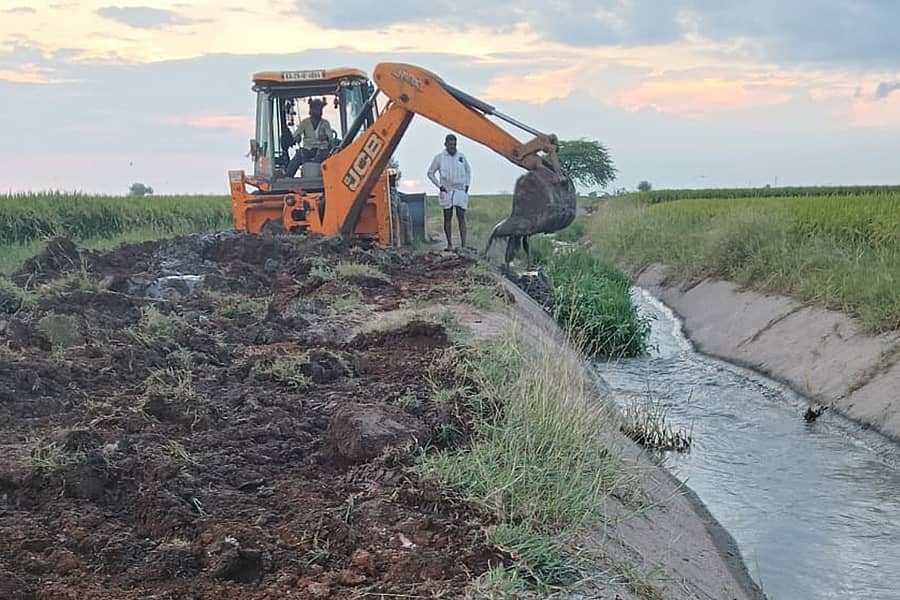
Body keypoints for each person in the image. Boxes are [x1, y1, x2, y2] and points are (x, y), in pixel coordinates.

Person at [427, 134, 471, 250]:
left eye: (454, 144)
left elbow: (468, 171)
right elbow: (430, 173)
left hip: (460, 190)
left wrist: (467, 186)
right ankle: (450, 244)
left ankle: (464, 245)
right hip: (447, 191)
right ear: (445, 144)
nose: (452, 147)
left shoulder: (461, 157)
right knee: (448, 217)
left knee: (461, 216)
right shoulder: (439, 158)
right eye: (450, 144)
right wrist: (439, 186)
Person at [285, 98, 333, 177]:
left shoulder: (325, 123)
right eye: (316, 109)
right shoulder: (305, 122)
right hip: (307, 149)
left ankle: (331, 177)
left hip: (322, 149)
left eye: (320, 109)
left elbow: (330, 137)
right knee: (298, 156)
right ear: (311, 110)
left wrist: (325, 137)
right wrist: (297, 138)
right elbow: (296, 135)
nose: (319, 112)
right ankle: (288, 177)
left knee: (329, 157)